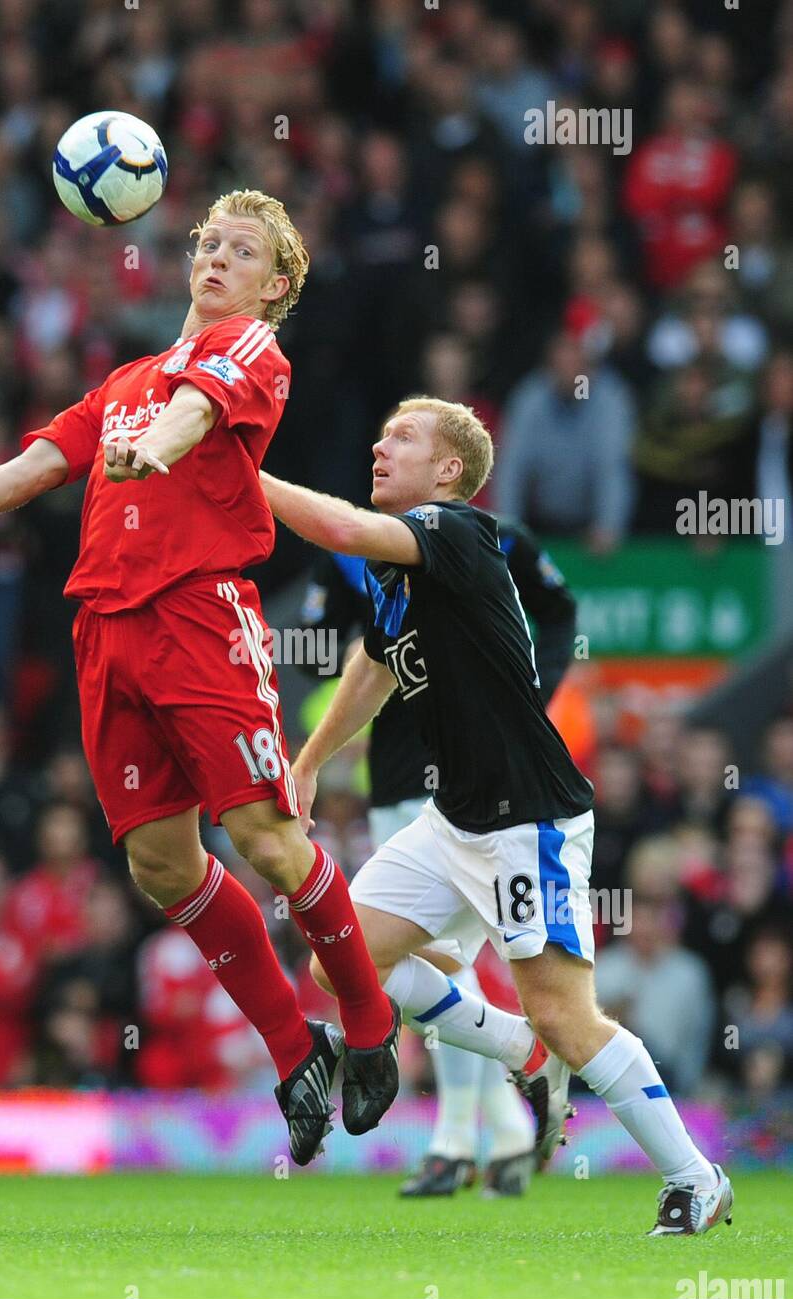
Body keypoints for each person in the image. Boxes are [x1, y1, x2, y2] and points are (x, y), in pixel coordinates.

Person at [0, 189, 400, 1165]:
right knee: (160, 865)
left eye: (242, 250)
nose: (216, 257)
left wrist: (152, 448)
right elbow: (29, 468)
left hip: (197, 617)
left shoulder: (252, 351)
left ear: (275, 286)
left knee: (266, 837)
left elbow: (190, 416)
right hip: (104, 631)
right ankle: (290, 1046)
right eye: (208, 241)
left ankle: (365, 1016)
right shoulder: (124, 380)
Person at [259, 394, 733, 1235]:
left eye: (400, 436)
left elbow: (339, 531)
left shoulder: (458, 530)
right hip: (452, 820)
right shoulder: (398, 564)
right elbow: (373, 661)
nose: (378, 444)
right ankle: (521, 1050)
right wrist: (307, 761)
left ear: (448, 471)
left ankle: (695, 1177)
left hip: (528, 819)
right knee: (339, 964)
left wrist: (238, 475)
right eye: (379, 431)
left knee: (568, 1012)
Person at [297, 509, 578, 1197]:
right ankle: (493, 1129)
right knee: (442, 961)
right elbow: (312, 645)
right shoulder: (350, 552)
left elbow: (560, 610)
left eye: (400, 442)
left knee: (440, 963)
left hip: (488, 782)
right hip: (400, 770)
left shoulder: (498, 539)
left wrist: (531, 695)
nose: (380, 455)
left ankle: (463, 1136)